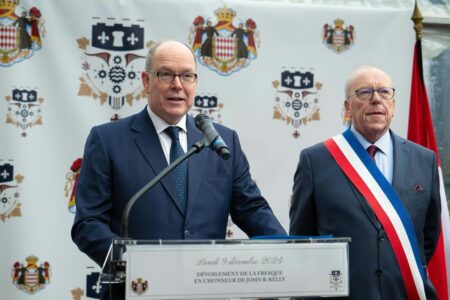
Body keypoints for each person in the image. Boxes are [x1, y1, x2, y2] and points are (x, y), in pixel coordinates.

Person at [72, 40, 286, 299]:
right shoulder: (108, 140)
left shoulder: (222, 141)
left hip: (207, 293)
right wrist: (133, 263)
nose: (177, 85)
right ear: (146, 80)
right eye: (165, 74)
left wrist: (285, 252)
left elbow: (252, 209)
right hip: (137, 290)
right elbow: (88, 223)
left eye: (187, 75)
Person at [289, 65, 441, 299]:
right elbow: (303, 240)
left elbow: (428, 236)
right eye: (364, 92)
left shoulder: (424, 159)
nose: (376, 100)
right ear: (348, 107)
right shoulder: (315, 160)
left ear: (394, 105)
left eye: (384, 92)